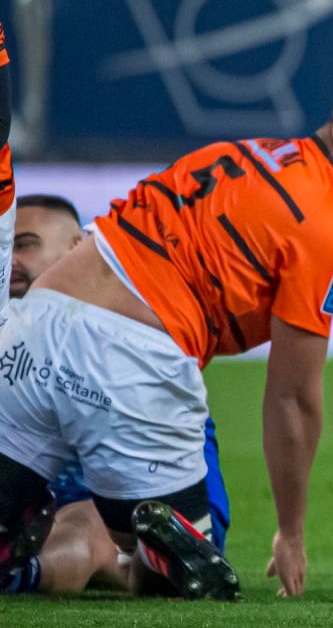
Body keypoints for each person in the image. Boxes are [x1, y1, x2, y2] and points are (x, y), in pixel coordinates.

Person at [0, 76, 333, 600]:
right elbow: (293, 398)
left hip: (37, 324)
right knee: (184, 582)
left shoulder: (238, 153)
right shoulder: (325, 227)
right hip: (132, 361)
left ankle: (21, 545)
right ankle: (142, 551)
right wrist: (290, 533)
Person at [1, 194, 233, 595]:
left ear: (79, 249)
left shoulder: (124, 347)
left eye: (27, 244)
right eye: (10, 247)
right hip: (43, 509)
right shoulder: (16, 338)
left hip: (148, 507)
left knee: (88, 527)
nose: (13, 260)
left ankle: (24, 574)